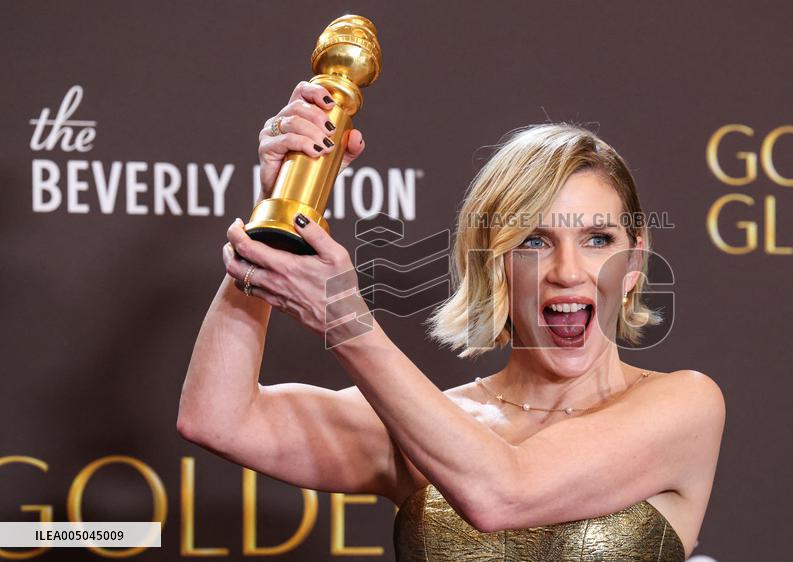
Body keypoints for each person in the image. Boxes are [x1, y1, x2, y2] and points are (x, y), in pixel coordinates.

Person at [178, 81, 725, 561]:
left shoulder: (685, 405)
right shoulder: (428, 422)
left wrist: (345, 320)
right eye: (534, 240)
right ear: (493, 263)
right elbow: (218, 417)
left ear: (633, 263)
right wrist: (279, 211)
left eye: (597, 240)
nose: (568, 272)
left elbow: (504, 492)